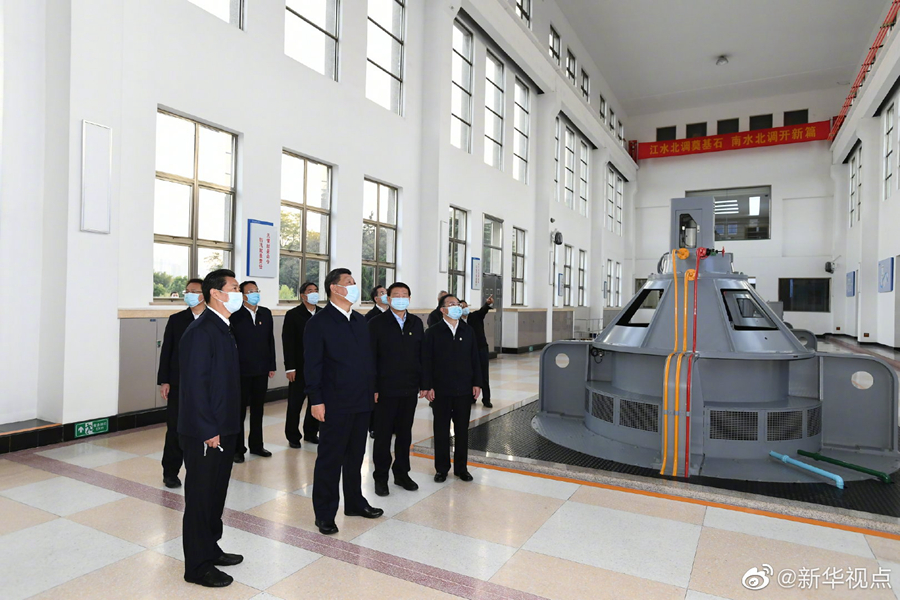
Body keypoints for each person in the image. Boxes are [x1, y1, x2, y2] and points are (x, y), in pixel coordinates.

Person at [304, 268, 383, 535]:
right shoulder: (319, 322)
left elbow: (368, 360)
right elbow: (312, 365)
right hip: (334, 401)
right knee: (330, 458)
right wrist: (316, 399)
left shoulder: (360, 321)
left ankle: (355, 502)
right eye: (349, 282)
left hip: (361, 399)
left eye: (354, 282)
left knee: (355, 455)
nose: (354, 286)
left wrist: (373, 388)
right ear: (335, 289)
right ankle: (325, 513)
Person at [178, 268, 244, 588]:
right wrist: (208, 429)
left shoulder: (223, 327)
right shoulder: (201, 331)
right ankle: (197, 565)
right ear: (216, 293)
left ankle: (210, 547)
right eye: (234, 288)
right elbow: (195, 386)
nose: (239, 293)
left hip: (224, 425)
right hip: (205, 431)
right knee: (201, 497)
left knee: (216, 494)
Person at [368, 282, 424, 497]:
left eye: (405, 295)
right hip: (385, 390)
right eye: (396, 295)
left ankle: (402, 473)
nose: (401, 298)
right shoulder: (376, 323)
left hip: (409, 388)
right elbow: (370, 358)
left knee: (404, 434)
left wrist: (424, 383)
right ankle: (380, 477)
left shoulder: (416, 323)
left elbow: (422, 355)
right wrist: (373, 387)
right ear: (389, 299)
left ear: (409, 299)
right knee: (382, 436)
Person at [421, 294, 482, 483]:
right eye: (451, 304)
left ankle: (461, 468)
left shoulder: (467, 330)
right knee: (441, 430)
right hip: (441, 390)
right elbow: (426, 361)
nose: (456, 306)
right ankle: (441, 469)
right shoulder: (433, 332)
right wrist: (427, 386)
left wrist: (477, 382)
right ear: (443, 310)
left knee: (462, 430)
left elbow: (475, 358)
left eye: (457, 304)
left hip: (464, 389)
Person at [157, 278, 206, 489]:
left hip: (204, 385)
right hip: (179, 384)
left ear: (205, 294)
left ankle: (199, 470)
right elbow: (167, 352)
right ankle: (170, 472)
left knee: (202, 428)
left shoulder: (214, 319)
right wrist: (164, 380)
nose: (189, 295)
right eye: (187, 291)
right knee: (175, 429)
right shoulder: (176, 320)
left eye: (194, 291)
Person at [230, 281, 276, 463]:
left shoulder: (265, 313)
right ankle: (238, 449)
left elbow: (270, 340)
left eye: (256, 290)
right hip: (241, 371)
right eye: (250, 291)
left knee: (258, 409)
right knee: (239, 411)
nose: (254, 294)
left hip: (261, 369)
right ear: (242, 295)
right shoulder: (235, 315)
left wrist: (271, 365)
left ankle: (257, 445)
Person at [282, 281, 321, 448]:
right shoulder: (293, 314)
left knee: (316, 400)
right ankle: (292, 436)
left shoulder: (322, 313)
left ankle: (311, 432)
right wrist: (290, 367)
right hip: (299, 367)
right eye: (310, 291)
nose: (314, 293)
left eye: (316, 290)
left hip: (319, 367)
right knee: (295, 403)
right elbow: (288, 342)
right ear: (303, 295)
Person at [460, 295, 494, 407]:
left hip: (481, 348)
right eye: (462, 307)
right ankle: (472, 397)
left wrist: (487, 304)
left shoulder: (475, 316)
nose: (465, 309)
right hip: (468, 352)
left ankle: (486, 398)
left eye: (466, 306)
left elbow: (483, 311)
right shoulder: (458, 322)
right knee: (470, 374)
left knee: (484, 375)